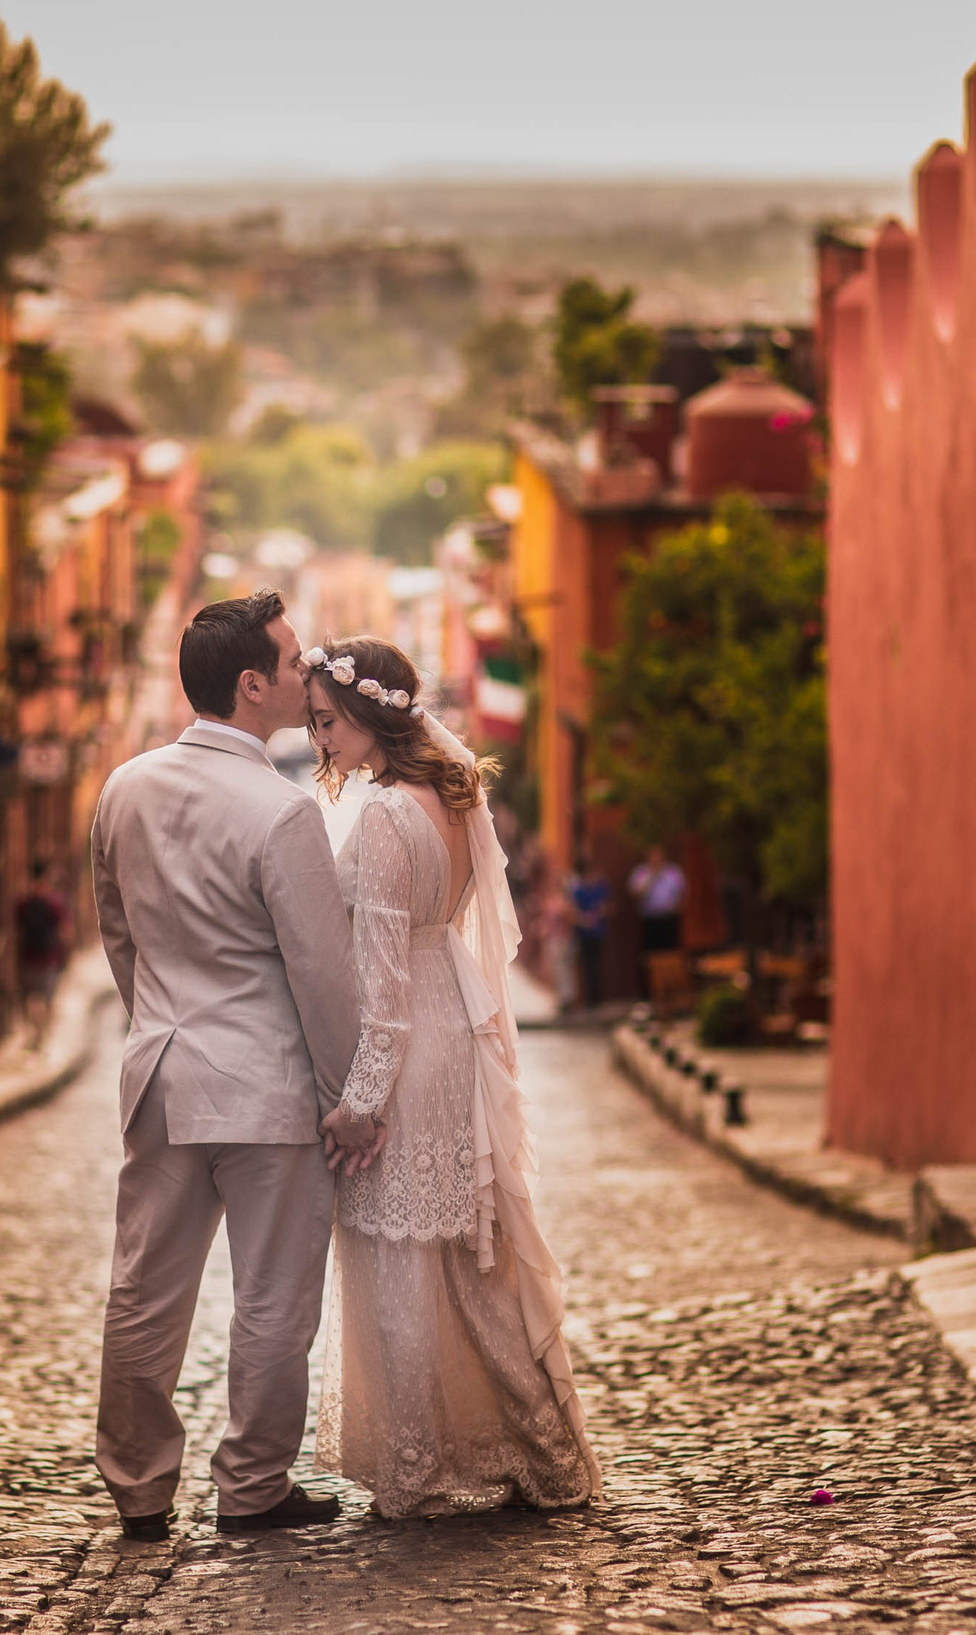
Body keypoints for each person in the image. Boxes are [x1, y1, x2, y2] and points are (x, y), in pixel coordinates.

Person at [303, 634, 603, 1519]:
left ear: (366, 714)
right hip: (452, 1033)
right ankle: (547, 1456)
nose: (319, 736)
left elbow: (385, 991)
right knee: (473, 1264)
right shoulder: (447, 792)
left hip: (409, 1050)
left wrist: (360, 1103)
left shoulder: (390, 815)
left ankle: (416, 1466)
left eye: (326, 720)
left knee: (399, 1256)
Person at [90, 589, 360, 1540]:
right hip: (270, 1092)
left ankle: (137, 1487)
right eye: (291, 664)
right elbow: (323, 977)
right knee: (275, 1298)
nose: (304, 676)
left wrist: (157, 1022)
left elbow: (118, 934)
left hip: (161, 1074)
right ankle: (251, 1487)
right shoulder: (281, 813)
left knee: (144, 1290)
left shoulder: (123, 788)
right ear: (251, 687)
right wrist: (350, 1098)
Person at [11, 860, 69, 1034]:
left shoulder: (24, 902)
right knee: (47, 999)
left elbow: (16, 930)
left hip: (28, 957)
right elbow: (64, 931)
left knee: (29, 998)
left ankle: (34, 1032)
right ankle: (42, 1034)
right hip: (48, 958)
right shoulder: (55, 903)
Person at [567, 856, 610, 1013]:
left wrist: (599, 913)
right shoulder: (578, 890)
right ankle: (589, 999)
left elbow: (608, 906)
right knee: (587, 966)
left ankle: (597, 998)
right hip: (584, 933)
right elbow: (572, 911)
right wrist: (584, 919)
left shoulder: (601, 888)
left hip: (598, 932)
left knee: (596, 965)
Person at [630, 844, 687, 956]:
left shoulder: (673, 871)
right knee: (651, 953)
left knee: (670, 950)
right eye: (653, 856)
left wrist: (679, 905)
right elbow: (635, 893)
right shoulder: (641, 872)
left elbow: (682, 892)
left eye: (658, 856)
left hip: (669, 917)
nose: (656, 859)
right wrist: (651, 877)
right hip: (650, 918)